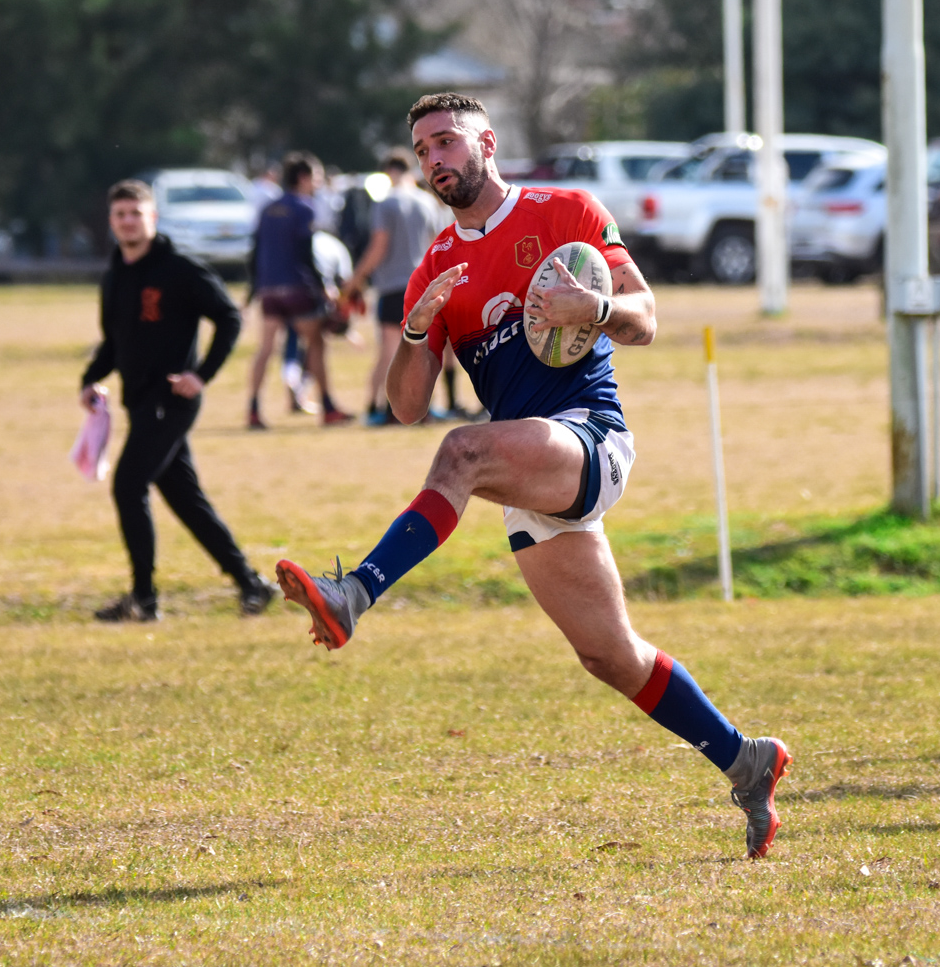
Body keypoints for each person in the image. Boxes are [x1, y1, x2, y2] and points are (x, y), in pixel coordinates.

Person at [273, 92, 792, 859]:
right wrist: (417, 330)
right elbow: (406, 404)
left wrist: (596, 303)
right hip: (530, 470)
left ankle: (355, 592)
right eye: (422, 151)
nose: (434, 160)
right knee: (609, 655)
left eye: (446, 142)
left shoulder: (565, 211)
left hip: (591, 438)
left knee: (464, 452)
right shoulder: (436, 266)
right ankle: (746, 760)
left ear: (486, 141)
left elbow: (645, 317)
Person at [79, 180, 275, 622]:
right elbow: (114, 343)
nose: (128, 221)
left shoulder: (179, 270)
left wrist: (201, 375)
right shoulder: (114, 278)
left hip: (171, 401)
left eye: (136, 213)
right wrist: (90, 379)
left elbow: (228, 317)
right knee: (186, 498)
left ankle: (143, 600)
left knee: (128, 485)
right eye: (120, 214)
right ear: (112, 222)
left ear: (153, 218)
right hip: (139, 401)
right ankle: (251, 584)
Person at [245, 152, 352, 428]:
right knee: (315, 343)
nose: (318, 182)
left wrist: (252, 289)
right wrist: (323, 285)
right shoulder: (305, 207)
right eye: (316, 176)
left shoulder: (268, 209)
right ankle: (328, 407)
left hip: (269, 288)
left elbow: (255, 251)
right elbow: (306, 252)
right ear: (303, 178)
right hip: (296, 287)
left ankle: (253, 410)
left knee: (266, 348)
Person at [342, 148, 445, 426]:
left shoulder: (385, 203)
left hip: (392, 286)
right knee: (424, 348)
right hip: (422, 285)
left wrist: (355, 280)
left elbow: (378, 248)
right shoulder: (427, 202)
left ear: (388, 172)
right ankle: (426, 406)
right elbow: (438, 246)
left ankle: (380, 407)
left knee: (389, 350)